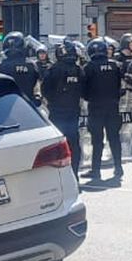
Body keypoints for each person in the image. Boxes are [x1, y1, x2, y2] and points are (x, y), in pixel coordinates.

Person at [83, 38, 126, 183]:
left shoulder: (89, 67)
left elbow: (85, 90)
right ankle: (118, 167)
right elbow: (121, 86)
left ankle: (96, 171)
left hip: (96, 107)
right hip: (113, 106)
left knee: (97, 140)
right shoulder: (116, 65)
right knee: (114, 138)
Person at [42, 40, 85, 176]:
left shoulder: (53, 70)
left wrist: (53, 100)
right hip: (73, 112)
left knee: (57, 145)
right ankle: (75, 174)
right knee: (73, 144)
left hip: (57, 112)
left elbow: (45, 90)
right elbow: (84, 90)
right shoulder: (78, 70)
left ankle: (59, 175)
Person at [0, 32, 42, 106]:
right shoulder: (31, 65)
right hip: (29, 106)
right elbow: (39, 84)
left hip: (7, 107)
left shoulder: (0, 67)